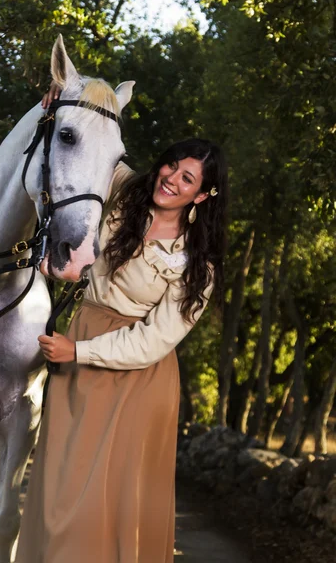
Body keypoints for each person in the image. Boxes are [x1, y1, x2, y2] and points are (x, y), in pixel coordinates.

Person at [15, 87, 228, 563]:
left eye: (188, 177)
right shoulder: (126, 188)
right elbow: (81, 142)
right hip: (80, 349)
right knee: (57, 492)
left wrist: (79, 352)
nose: (171, 177)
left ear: (204, 194)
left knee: (103, 504)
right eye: (171, 164)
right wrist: (57, 103)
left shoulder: (198, 266)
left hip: (136, 379)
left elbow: (153, 340)